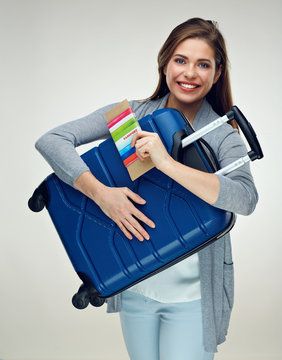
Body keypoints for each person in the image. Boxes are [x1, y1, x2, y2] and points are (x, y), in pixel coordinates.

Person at [35, 18, 258, 360]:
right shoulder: (130, 118)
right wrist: (100, 194)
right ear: (165, 63)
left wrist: (167, 162)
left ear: (216, 73)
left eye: (203, 64)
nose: (190, 73)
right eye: (181, 60)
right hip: (136, 289)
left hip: (193, 300)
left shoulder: (222, 134)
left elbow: (245, 199)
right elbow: (52, 141)